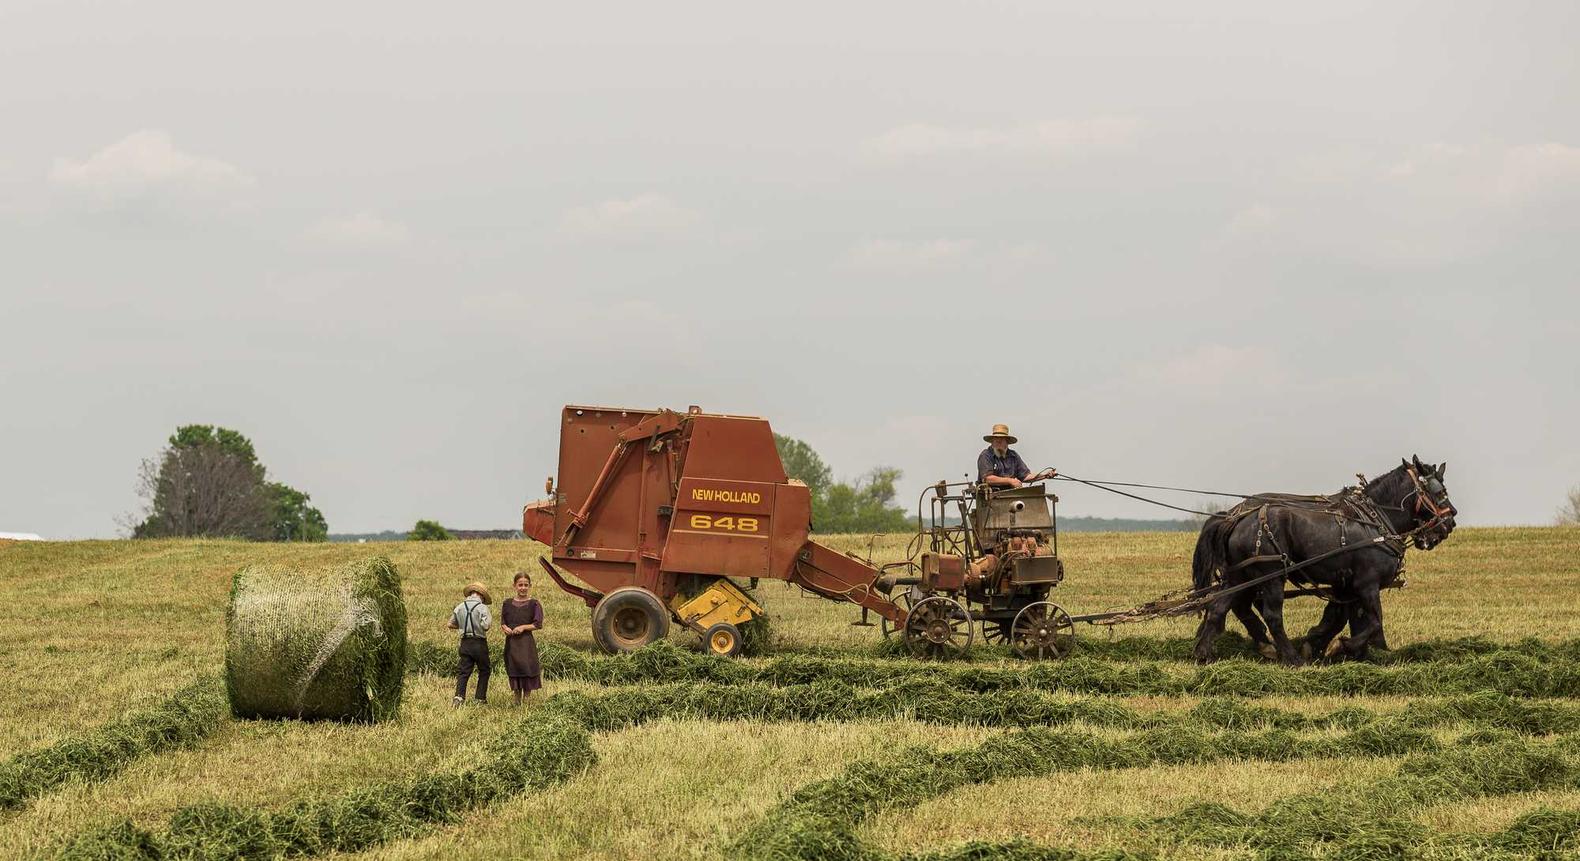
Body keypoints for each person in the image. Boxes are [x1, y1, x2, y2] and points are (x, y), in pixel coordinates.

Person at [499, 571, 545, 705]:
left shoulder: (534, 604)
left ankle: (527, 699)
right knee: (514, 668)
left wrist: (524, 627)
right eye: (520, 585)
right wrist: (505, 628)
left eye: (526, 585)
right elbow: (503, 621)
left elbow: (538, 624)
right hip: (512, 643)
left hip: (526, 643)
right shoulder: (507, 603)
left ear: (530, 586)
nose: (523, 588)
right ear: (514, 586)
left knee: (527, 667)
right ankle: (516, 699)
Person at [447, 581, 493, 706]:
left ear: (471, 593)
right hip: (479, 642)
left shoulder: (460, 606)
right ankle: (479, 698)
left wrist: (463, 626)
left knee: (464, 671)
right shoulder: (483, 608)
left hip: (465, 643)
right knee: (484, 670)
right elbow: (486, 626)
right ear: (481, 595)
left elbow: (450, 624)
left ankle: (459, 697)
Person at [976, 423, 1055, 488]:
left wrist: (1045, 475)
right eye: (996, 438)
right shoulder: (986, 455)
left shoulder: (1013, 456)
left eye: (1001, 438)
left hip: (1013, 495)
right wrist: (1010, 480)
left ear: (1007, 441)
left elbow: (1025, 476)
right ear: (992, 441)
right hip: (991, 499)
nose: (998, 441)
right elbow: (987, 479)